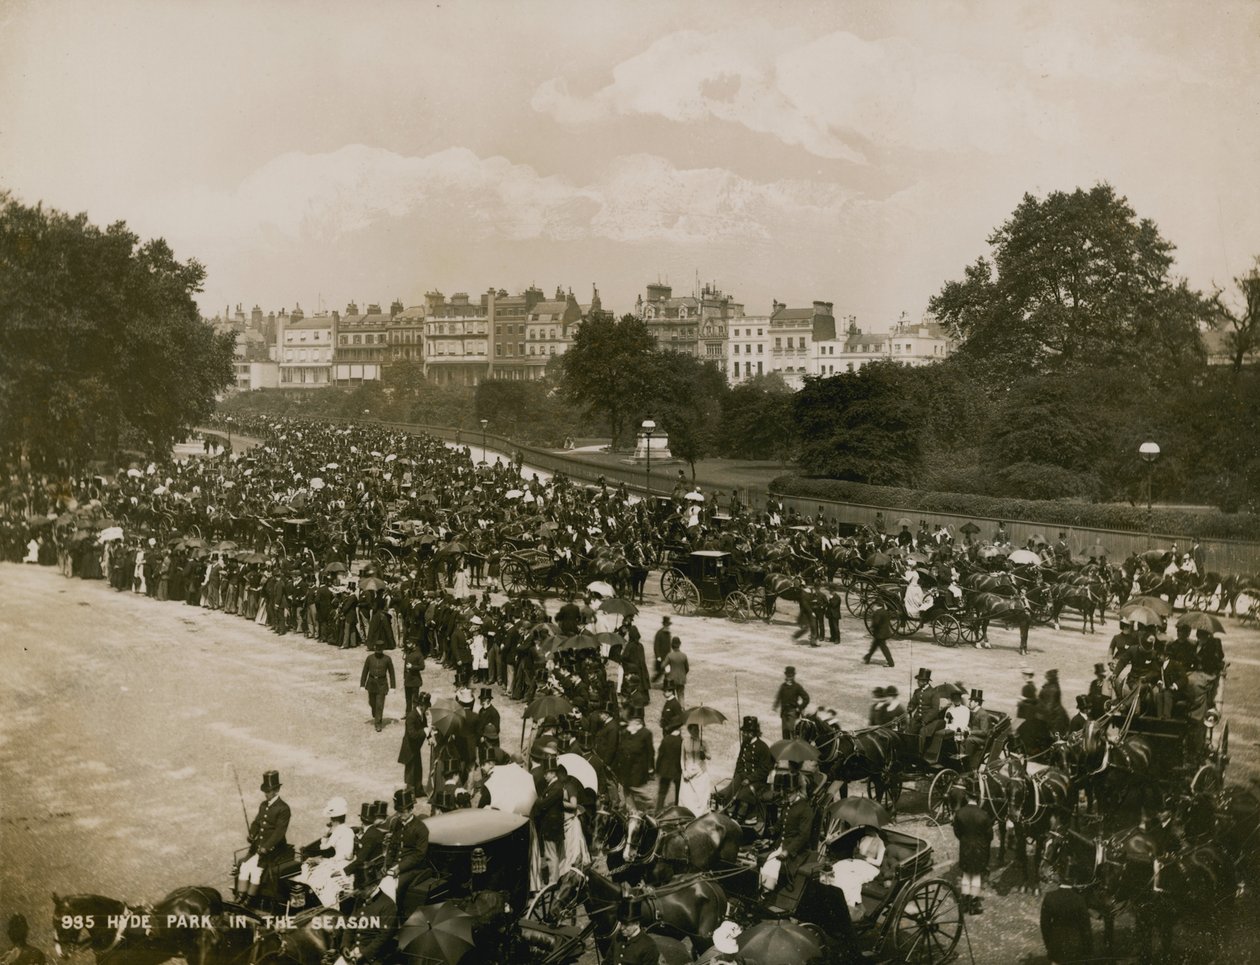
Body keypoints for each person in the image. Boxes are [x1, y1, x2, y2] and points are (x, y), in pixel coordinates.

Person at [235, 770, 291, 906]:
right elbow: (256, 822)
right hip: (258, 846)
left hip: (273, 849)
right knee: (244, 866)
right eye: (265, 791)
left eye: (269, 791)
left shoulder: (283, 809)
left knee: (256, 870)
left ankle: (249, 899)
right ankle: (240, 896)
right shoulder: (263, 805)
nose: (266, 794)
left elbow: (279, 832)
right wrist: (251, 833)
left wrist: (266, 847)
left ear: (276, 790)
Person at [295, 797, 355, 907]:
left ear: (334, 819)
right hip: (338, 861)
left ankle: (320, 904)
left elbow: (328, 848)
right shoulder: (345, 831)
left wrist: (325, 836)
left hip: (339, 864)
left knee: (312, 872)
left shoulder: (341, 831)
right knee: (310, 866)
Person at [383, 787, 433, 910]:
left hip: (412, 869)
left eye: (403, 811)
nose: (400, 815)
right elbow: (392, 847)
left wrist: (399, 868)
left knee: (395, 888)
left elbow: (418, 855)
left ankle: (395, 915)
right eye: (398, 811)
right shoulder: (396, 824)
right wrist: (387, 864)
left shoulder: (420, 828)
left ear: (411, 809)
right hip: (396, 865)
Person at [951, 787, 993, 914]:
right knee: (976, 874)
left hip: (965, 846)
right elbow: (989, 835)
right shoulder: (984, 815)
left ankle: (964, 902)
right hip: (980, 848)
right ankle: (974, 904)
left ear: (967, 797)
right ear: (978, 798)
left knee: (966, 873)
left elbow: (956, 831)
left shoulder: (960, 813)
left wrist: (963, 839)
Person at [1040, 879, 1093, 965]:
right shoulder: (1079, 899)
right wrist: (1088, 949)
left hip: (1056, 946)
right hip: (1075, 946)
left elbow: (1044, 925)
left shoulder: (1049, 897)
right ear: (1073, 883)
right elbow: (1086, 927)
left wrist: (1049, 944)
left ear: (1059, 881)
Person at [532, 759, 566, 887]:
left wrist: (538, 800)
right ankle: (555, 879)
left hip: (551, 827)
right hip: (553, 826)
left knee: (551, 855)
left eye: (546, 773)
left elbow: (542, 804)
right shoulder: (553, 786)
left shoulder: (556, 788)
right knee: (554, 854)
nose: (544, 776)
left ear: (552, 773)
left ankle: (553, 881)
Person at [613, 710, 655, 811]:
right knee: (626, 787)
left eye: (631, 721)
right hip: (626, 765)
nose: (629, 723)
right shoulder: (628, 732)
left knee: (634, 787)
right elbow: (623, 746)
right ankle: (631, 809)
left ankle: (649, 801)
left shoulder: (646, 733)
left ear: (637, 722)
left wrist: (650, 767)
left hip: (638, 766)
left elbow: (650, 751)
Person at [344, 800, 389, 890]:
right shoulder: (373, 832)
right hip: (373, 864)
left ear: (361, 819)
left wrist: (345, 871)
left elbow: (361, 859)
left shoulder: (370, 835)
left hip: (369, 870)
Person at [361, 642, 396, 732]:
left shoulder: (387, 659)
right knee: (372, 702)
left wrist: (393, 686)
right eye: (377, 648)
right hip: (371, 683)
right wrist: (362, 684)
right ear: (375, 648)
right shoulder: (370, 658)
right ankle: (374, 711)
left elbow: (391, 673)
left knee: (380, 705)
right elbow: (365, 671)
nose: (378, 650)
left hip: (382, 683)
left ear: (383, 649)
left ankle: (378, 723)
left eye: (380, 649)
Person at [612, 898, 657, 965]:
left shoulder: (649, 946)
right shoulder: (618, 938)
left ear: (637, 924)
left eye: (626, 925)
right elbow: (608, 962)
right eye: (621, 923)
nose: (622, 928)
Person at [679, 723, 712, 815]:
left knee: (701, 796)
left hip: (700, 771)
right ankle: (688, 815)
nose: (697, 732)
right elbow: (682, 759)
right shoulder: (685, 742)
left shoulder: (703, 742)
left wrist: (704, 752)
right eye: (694, 730)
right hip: (688, 772)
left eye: (698, 730)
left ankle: (700, 815)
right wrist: (684, 771)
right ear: (690, 731)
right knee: (687, 797)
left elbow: (709, 757)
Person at [772, 666, 810, 739]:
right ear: (785, 675)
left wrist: (799, 708)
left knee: (792, 732)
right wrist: (775, 706)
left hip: (792, 712)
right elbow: (779, 697)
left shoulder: (797, 687)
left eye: (791, 675)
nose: (789, 677)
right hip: (784, 713)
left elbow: (806, 698)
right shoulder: (783, 686)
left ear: (793, 676)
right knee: (785, 733)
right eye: (788, 675)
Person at [655, 724, 682, 811]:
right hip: (677, 770)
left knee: (662, 793)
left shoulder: (665, 740)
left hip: (665, 770)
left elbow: (660, 755)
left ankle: (658, 810)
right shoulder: (681, 741)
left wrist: (657, 769)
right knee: (678, 792)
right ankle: (677, 808)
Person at [663, 637, 689, 703]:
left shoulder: (669, 656)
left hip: (671, 679)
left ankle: (674, 710)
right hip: (681, 679)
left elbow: (663, 666)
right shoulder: (684, 656)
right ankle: (682, 709)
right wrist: (683, 674)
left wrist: (667, 673)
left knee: (672, 696)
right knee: (681, 695)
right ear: (680, 644)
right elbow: (687, 668)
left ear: (672, 645)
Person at [402, 646, 425, 715]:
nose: (408, 645)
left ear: (414, 644)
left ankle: (415, 715)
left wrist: (412, 667)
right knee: (408, 699)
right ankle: (408, 714)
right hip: (408, 680)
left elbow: (422, 666)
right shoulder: (407, 652)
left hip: (415, 680)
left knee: (415, 700)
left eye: (409, 643)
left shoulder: (419, 654)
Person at [652, 617, 672, 685]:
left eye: (668, 625)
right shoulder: (659, 633)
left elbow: (669, 645)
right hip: (660, 656)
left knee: (667, 671)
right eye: (666, 625)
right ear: (664, 625)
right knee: (660, 671)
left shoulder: (668, 634)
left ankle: (666, 686)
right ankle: (653, 680)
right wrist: (658, 656)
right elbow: (656, 646)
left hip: (667, 656)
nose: (668, 627)